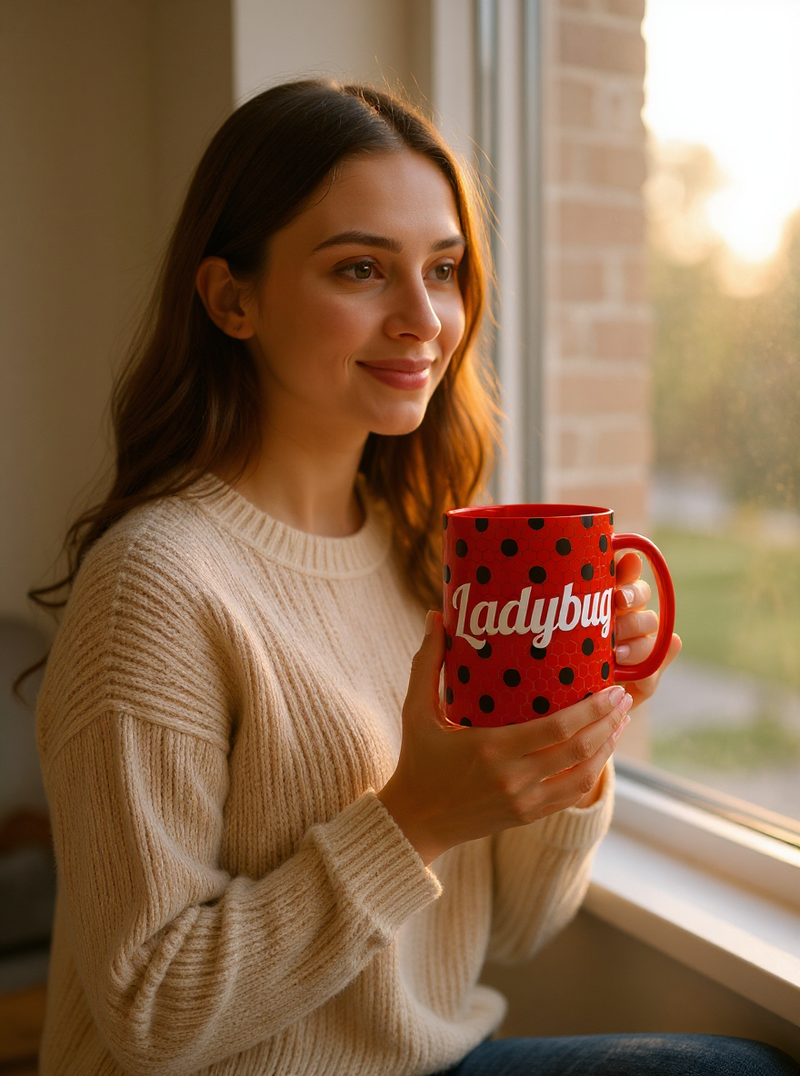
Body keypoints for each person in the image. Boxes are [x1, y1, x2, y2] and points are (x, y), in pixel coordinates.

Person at [33, 79, 797, 1076]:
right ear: (231, 297)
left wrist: (575, 737)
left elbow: (514, 926)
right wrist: (415, 815)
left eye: (442, 269)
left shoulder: (429, 559)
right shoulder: (156, 584)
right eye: (360, 268)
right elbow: (151, 1013)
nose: (423, 317)